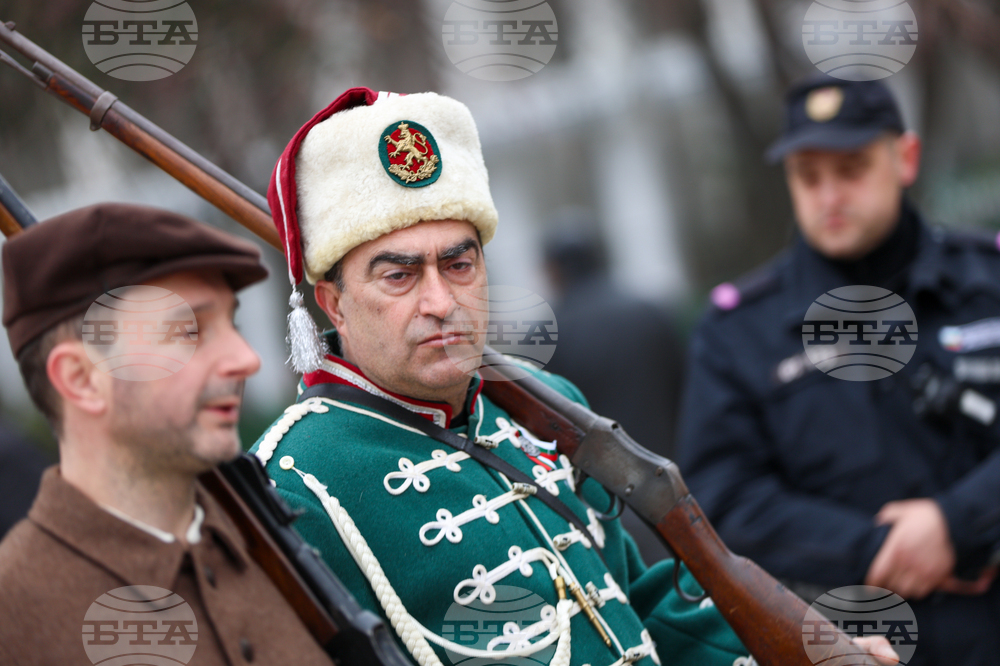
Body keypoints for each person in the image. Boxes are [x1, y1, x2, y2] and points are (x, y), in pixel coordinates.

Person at [250, 87, 897, 666]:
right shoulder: (290, 478)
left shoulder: (546, 402)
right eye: (399, 275)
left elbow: (637, 606)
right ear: (332, 301)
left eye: (459, 264)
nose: (440, 300)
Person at [677, 75, 1000, 666]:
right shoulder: (738, 332)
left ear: (906, 158)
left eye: (850, 169)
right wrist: (876, 549)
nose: (828, 196)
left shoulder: (989, 283)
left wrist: (959, 525)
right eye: (808, 176)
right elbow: (724, 500)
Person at [0, 203, 334, 665]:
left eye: (230, 324)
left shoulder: (274, 546)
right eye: (188, 332)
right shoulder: (15, 619)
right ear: (81, 378)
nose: (245, 358)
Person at [542, 221, 685, 565]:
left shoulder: (549, 332)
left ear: (555, 268)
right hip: (676, 488)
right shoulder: (653, 313)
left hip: (603, 509)